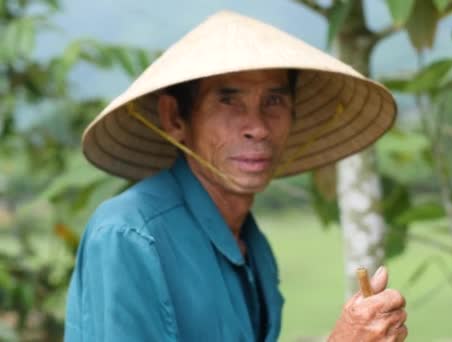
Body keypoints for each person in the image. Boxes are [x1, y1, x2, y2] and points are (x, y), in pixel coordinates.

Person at [64, 10, 407, 342]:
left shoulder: (252, 247)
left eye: (273, 100)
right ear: (175, 119)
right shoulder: (128, 235)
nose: (257, 128)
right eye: (229, 102)